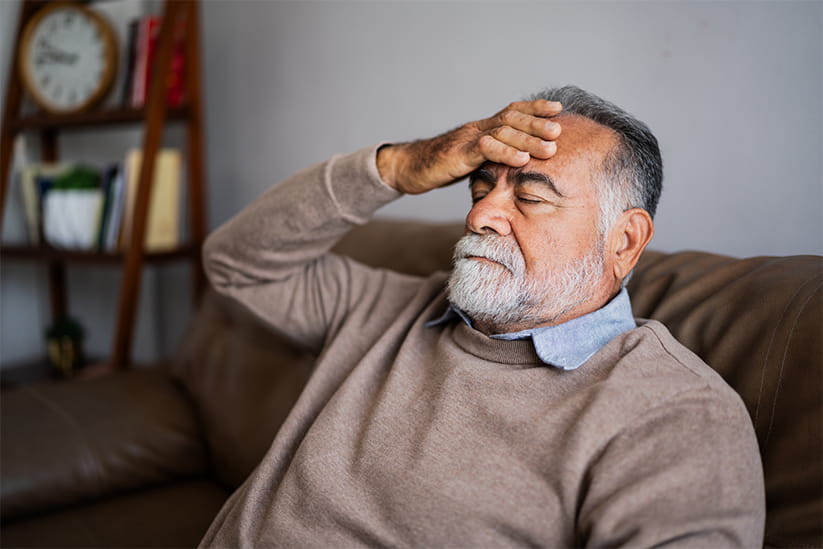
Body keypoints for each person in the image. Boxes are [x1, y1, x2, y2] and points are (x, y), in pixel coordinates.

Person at [200, 86, 765, 547]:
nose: (480, 216)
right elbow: (237, 264)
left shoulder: (674, 413)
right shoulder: (383, 308)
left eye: (531, 197)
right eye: (479, 189)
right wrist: (396, 167)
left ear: (624, 241)